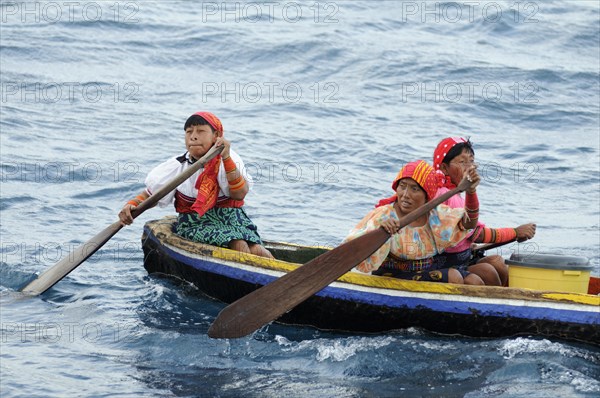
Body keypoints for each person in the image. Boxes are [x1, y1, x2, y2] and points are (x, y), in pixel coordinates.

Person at [119, 111, 273, 258]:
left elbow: (239, 194)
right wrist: (132, 205)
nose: (193, 137)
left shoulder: (229, 159)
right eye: (189, 132)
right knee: (238, 243)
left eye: (200, 131)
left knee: (257, 249)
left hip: (233, 220)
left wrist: (225, 157)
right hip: (195, 223)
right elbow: (151, 195)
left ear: (217, 136)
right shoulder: (177, 166)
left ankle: (277, 281)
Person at [344, 160, 485, 285]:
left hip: (426, 270)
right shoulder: (384, 215)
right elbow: (352, 250)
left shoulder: (435, 215)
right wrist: (380, 232)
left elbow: (469, 224)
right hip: (391, 275)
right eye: (402, 186)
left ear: (426, 196)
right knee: (454, 277)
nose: (405, 194)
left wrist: (471, 191)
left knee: (475, 281)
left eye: (414, 189)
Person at [432, 137, 536, 286]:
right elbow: (477, 234)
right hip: (446, 266)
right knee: (487, 271)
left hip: (462, 259)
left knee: (497, 261)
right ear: (444, 168)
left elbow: (469, 231)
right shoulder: (444, 194)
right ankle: (502, 304)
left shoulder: (455, 193)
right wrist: (515, 232)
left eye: (472, 161)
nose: (470, 167)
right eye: (462, 162)